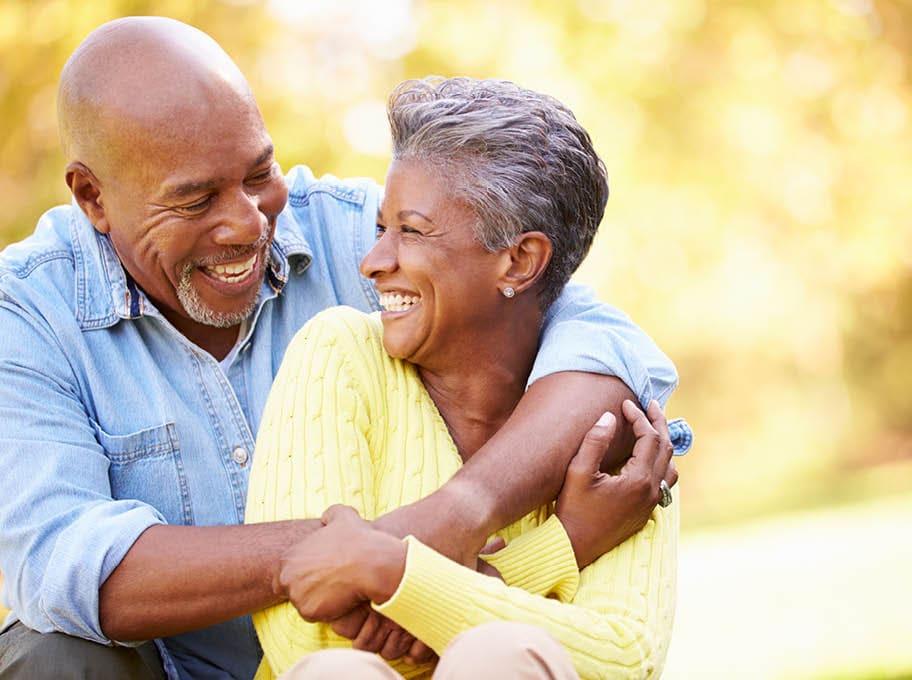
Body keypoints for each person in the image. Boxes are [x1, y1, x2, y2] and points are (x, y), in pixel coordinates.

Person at [0, 17, 683, 680]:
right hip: (184, 667)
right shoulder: (27, 315)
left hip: (386, 657)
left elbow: (598, 342)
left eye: (258, 173)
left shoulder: (354, 228)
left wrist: (459, 514)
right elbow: (72, 564)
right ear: (93, 197)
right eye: (196, 199)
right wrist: (379, 554)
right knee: (49, 654)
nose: (245, 223)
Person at [245, 77, 693, 680]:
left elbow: (620, 657)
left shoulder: (616, 432)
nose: (373, 262)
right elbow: (308, 637)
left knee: (499, 658)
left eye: (412, 230)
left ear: (519, 261)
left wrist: (393, 575)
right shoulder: (339, 352)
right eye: (381, 228)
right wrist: (555, 550)